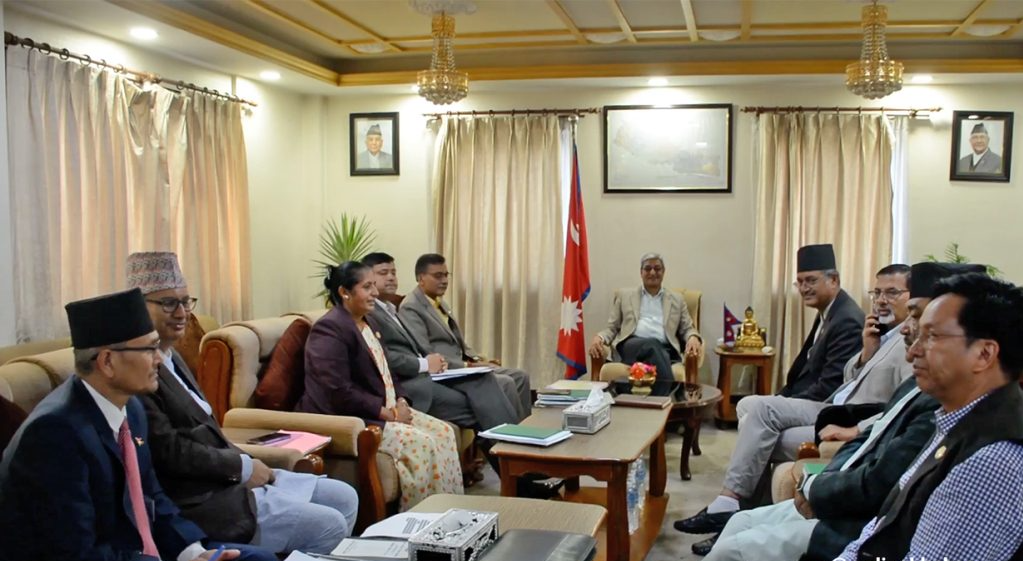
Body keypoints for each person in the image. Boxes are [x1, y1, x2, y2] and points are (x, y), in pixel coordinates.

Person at [697, 262, 982, 561]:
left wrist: (817, 485)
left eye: (926, 325)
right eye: (877, 293)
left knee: (759, 427)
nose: (911, 338)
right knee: (753, 424)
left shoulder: (944, 406)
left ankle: (730, 502)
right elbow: (862, 416)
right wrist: (867, 352)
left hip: (857, 514)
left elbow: (880, 478)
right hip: (839, 420)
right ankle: (733, 507)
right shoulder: (890, 344)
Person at [0, 288, 275, 561]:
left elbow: (152, 497)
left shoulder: (131, 407)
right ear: (107, 361)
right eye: (149, 349)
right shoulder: (54, 434)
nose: (159, 360)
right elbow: (78, 552)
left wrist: (193, 553)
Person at [127, 252, 358, 554]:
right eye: (169, 303)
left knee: (344, 496)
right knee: (328, 525)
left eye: (185, 302)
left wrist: (247, 465)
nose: (182, 313)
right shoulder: (136, 370)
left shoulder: (173, 357)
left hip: (228, 479)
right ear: (138, 307)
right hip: (203, 498)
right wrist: (241, 467)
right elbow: (170, 452)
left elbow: (209, 431)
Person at [675, 245, 866, 541]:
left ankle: (728, 502)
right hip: (814, 400)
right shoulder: (828, 312)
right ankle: (741, 521)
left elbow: (829, 386)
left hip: (828, 407)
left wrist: (781, 403)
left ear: (834, 280)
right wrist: (782, 398)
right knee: (751, 414)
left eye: (811, 280)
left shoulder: (847, 319)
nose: (804, 288)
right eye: (800, 282)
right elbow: (804, 371)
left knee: (758, 414)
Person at [836, 272, 1023, 561]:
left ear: (984, 354)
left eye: (932, 336)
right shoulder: (956, 421)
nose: (912, 352)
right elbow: (881, 526)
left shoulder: (993, 460)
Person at [297, 261, 463, 510]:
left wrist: (402, 400)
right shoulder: (329, 329)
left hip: (387, 409)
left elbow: (388, 370)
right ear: (345, 292)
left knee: (444, 433)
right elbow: (337, 390)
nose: (375, 292)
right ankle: (419, 520)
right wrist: (387, 413)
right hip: (354, 417)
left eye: (374, 286)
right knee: (421, 444)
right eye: (367, 287)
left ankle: (450, 512)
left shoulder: (369, 323)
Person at [362, 252, 519, 430]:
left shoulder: (390, 310)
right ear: (367, 278)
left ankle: (515, 442)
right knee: (484, 404)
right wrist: (425, 363)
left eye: (394, 272)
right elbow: (384, 358)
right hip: (412, 385)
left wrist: (439, 362)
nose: (391, 277)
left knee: (484, 380)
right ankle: (511, 445)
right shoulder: (371, 313)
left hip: (429, 374)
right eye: (383, 273)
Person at [399, 253, 532, 420]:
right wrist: (468, 365)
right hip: (447, 371)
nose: (444, 281)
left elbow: (457, 343)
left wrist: (478, 359)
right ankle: (507, 434)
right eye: (438, 276)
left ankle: (523, 429)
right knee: (506, 382)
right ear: (421, 278)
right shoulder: (411, 307)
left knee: (520, 376)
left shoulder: (439, 302)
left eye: (446, 275)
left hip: (463, 365)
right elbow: (426, 351)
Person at [588, 252, 702, 395]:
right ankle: (669, 396)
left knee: (657, 350)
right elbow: (612, 328)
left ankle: (644, 397)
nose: (652, 272)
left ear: (663, 272)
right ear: (641, 272)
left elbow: (687, 328)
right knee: (652, 345)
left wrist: (692, 337)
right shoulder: (624, 296)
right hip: (631, 346)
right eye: (648, 268)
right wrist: (599, 337)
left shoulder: (677, 300)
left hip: (665, 350)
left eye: (657, 268)